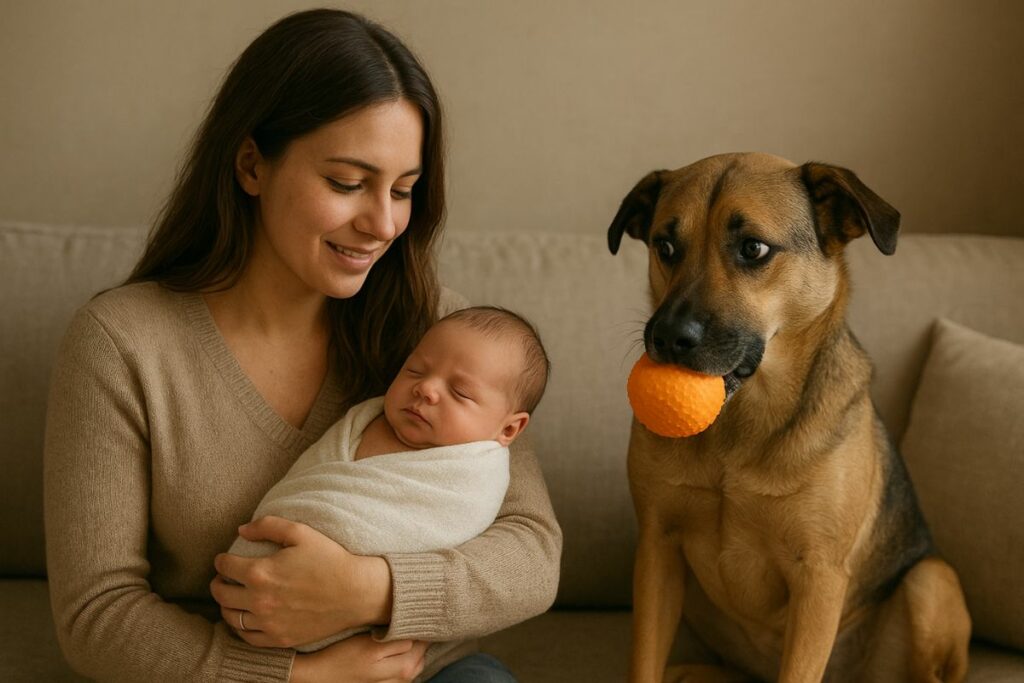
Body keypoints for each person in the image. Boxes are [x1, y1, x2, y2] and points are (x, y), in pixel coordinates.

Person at [43, 9, 561, 683]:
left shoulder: (442, 337)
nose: (382, 223)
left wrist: (367, 589)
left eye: (403, 191)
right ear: (252, 163)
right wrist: (295, 675)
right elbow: (97, 613)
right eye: (347, 182)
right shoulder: (123, 345)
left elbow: (532, 555)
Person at [228, 306, 551, 653]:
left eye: (460, 392)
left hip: (409, 654)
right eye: (414, 370)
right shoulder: (366, 419)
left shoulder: (475, 469)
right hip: (260, 626)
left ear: (509, 428)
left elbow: (534, 566)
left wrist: (364, 589)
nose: (425, 388)